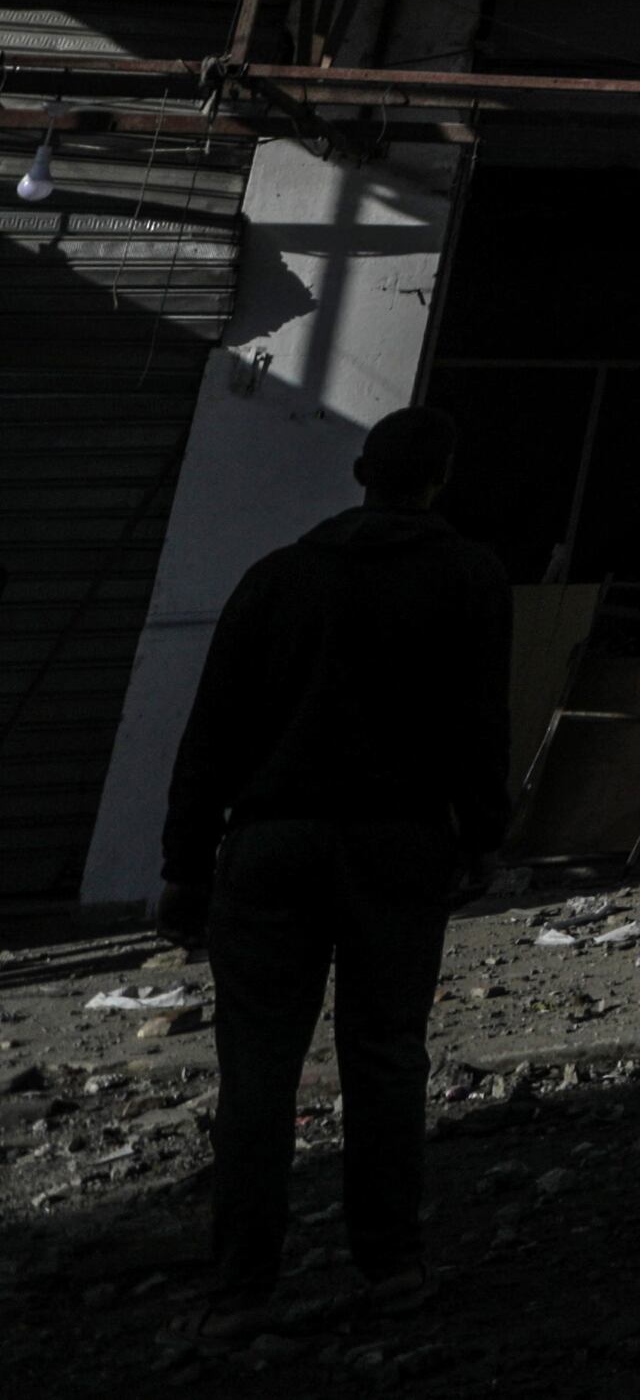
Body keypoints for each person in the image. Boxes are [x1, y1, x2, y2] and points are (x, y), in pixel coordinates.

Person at [159, 405, 510, 1301]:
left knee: (260, 1072)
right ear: (442, 477)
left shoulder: (276, 579)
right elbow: (479, 723)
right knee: (387, 1053)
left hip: (274, 839)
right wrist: (484, 834)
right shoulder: (469, 577)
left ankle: (241, 1287)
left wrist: (185, 864)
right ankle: (389, 1261)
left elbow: (213, 735)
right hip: (399, 841)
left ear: (360, 470)